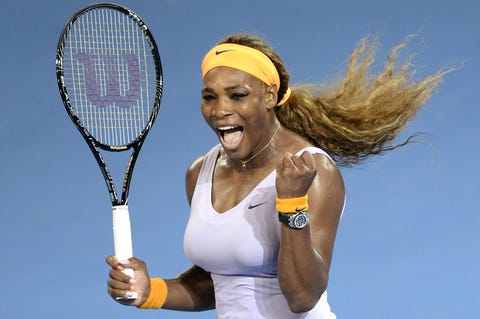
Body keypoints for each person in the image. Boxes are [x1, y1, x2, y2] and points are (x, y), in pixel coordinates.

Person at [106, 33, 448, 318]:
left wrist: (292, 204)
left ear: (269, 96)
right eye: (209, 97)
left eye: (237, 95)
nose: (220, 109)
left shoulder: (315, 171)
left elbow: (302, 296)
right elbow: (221, 279)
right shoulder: (200, 173)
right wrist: (153, 291)